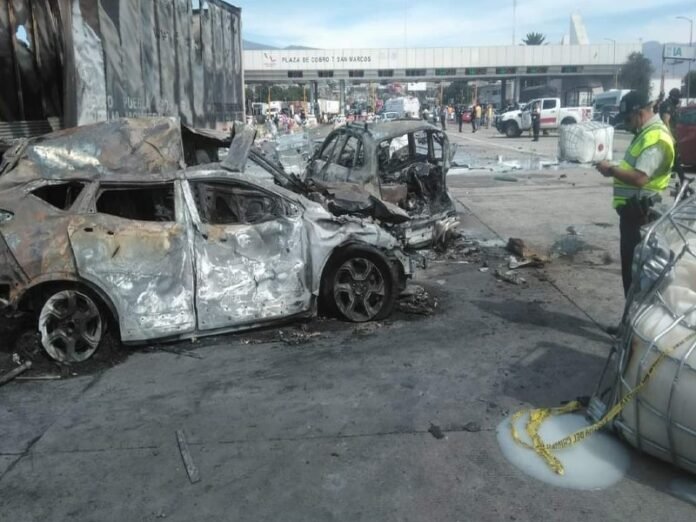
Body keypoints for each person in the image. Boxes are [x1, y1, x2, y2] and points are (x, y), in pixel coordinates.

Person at [595, 90, 675, 298]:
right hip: (633, 214)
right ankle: (629, 316)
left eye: (628, 119)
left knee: (638, 276)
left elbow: (640, 178)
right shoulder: (645, 134)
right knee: (630, 274)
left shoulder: (656, 137)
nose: (626, 124)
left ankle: (635, 318)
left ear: (640, 112)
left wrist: (611, 170)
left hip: (642, 216)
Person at [659, 88, 685, 186]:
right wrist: (670, 136)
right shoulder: (668, 106)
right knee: (674, 157)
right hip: (667, 135)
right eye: (678, 98)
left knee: (671, 158)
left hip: (671, 134)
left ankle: (678, 177)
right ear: (673, 97)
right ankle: (683, 178)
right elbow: (666, 121)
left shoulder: (672, 106)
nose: (679, 100)